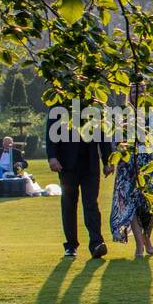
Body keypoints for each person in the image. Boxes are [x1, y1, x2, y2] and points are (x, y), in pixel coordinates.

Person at [46, 102, 111, 259]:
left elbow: (103, 134)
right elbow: (50, 132)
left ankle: (96, 243)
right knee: (69, 204)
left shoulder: (94, 105)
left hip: (90, 164)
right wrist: (52, 157)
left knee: (91, 203)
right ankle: (71, 245)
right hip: (67, 164)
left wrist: (108, 160)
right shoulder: (59, 103)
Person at [110, 139, 153, 257]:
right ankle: (139, 242)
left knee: (148, 203)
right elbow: (116, 136)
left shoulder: (152, 119)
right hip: (126, 163)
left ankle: (146, 237)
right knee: (129, 203)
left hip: (148, 162)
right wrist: (110, 160)